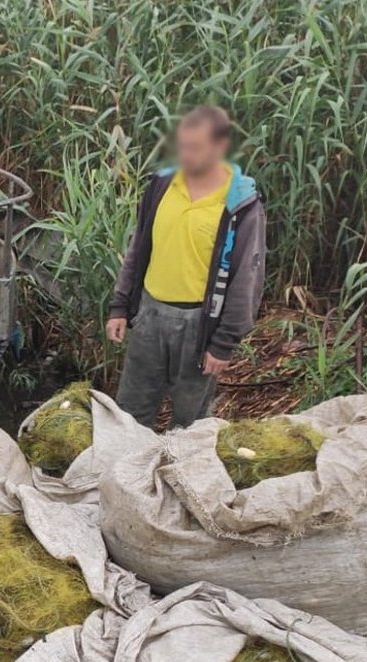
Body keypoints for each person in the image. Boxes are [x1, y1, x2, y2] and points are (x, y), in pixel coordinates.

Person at [107, 106, 266, 429]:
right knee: (129, 415)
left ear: (220, 147)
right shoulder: (162, 185)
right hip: (149, 316)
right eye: (182, 146)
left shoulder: (240, 205)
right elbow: (138, 248)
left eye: (195, 148)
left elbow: (246, 280)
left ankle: (177, 461)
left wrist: (223, 344)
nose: (186, 155)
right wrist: (120, 307)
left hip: (199, 325)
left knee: (189, 425)